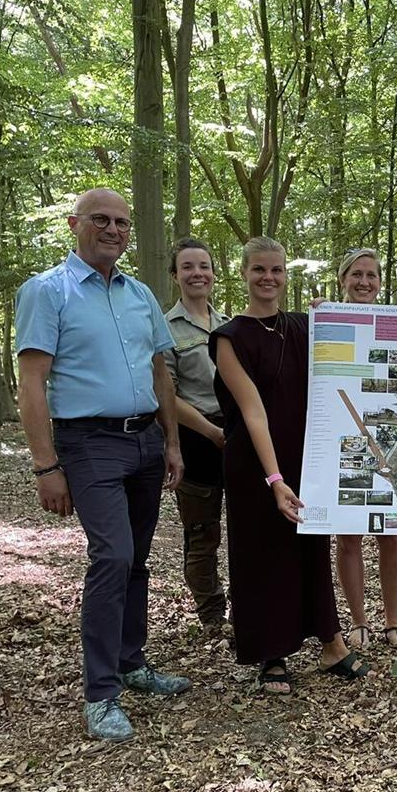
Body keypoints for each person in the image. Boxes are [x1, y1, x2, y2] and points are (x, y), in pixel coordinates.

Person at [15, 188, 189, 742]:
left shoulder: (140, 294)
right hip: (87, 442)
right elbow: (32, 381)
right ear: (75, 224)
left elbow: (160, 372)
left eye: (122, 222)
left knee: (136, 557)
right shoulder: (47, 292)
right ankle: (100, 694)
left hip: (144, 440)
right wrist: (46, 467)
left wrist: (172, 442)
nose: (113, 230)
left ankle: (132, 662)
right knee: (111, 555)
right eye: (101, 220)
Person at [210, 236, 371, 693]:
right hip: (255, 465)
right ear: (243, 273)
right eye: (259, 269)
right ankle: (272, 654)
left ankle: (331, 644)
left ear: (286, 275)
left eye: (276, 270)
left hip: (307, 458)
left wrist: (333, 310)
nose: (268, 278)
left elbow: (354, 341)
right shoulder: (228, 338)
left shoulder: (304, 325)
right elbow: (252, 411)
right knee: (262, 555)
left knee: (310, 549)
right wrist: (275, 478)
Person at [332, 248, 397, 649]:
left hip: (390, 443)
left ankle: (392, 621)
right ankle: (359, 621)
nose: (364, 282)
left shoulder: (396, 322)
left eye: (371, 276)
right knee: (348, 538)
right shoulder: (325, 321)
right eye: (356, 275)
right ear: (343, 279)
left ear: (380, 282)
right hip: (341, 442)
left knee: (391, 536)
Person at [163, 238, 230, 637]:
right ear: (175, 276)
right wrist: (210, 431)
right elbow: (165, 394)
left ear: (213, 274)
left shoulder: (228, 325)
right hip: (194, 439)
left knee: (245, 532)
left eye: (203, 266)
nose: (197, 274)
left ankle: (250, 608)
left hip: (235, 438)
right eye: (187, 267)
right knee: (202, 536)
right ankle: (211, 616)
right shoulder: (165, 328)